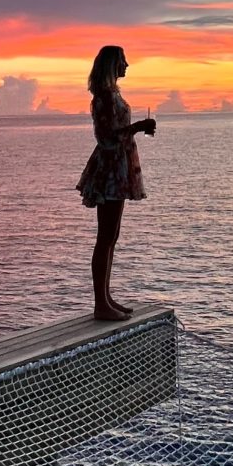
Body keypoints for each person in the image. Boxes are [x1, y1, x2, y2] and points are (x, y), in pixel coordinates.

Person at [76, 45, 156, 321]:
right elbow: (107, 136)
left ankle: (106, 298)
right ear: (112, 64)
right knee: (105, 237)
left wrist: (136, 128)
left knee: (111, 237)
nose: (128, 65)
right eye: (123, 61)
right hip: (111, 168)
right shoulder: (106, 97)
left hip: (117, 166)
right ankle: (101, 304)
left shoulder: (110, 94)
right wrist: (139, 127)